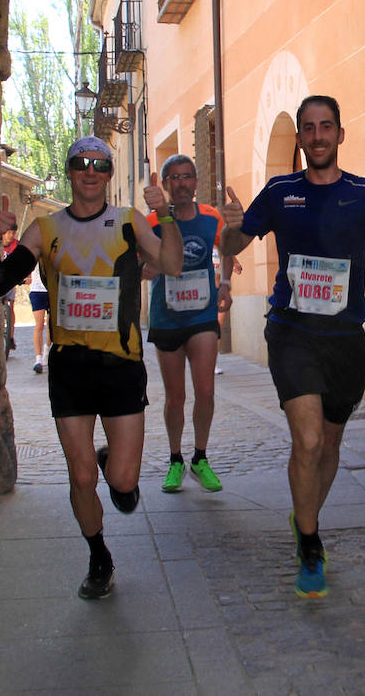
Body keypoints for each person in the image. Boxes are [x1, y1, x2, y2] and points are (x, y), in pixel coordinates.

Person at [0, 136, 184, 600]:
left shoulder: (129, 222)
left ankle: (116, 463)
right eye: (80, 163)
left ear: (109, 175)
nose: (90, 171)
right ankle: (98, 555)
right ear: (70, 170)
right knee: (80, 477)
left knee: (123, 483)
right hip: (70, 367)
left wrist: (166, 214)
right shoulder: (44, 228)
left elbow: (172, 263)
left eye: (100, 165)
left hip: (121, 366)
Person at [219, 95, 365, 599]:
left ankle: (305, 514)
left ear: (340, 134)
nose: (317, 136)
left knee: (330, 446)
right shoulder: (279, 191)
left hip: (345, 340)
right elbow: (233, 246)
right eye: (308, 128)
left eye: (325, 127)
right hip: (292, 331)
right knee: (309, 441)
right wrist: (228, 229)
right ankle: (310, 544)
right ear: (299, 138)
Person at [145, 154, 234, 494]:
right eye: (174, 178)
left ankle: (200, 456)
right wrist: (146, 269)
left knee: (206, 390)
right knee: (175, 398)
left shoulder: (210, 217)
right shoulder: (153, 220)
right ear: (165, 184)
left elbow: (227, 246)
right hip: (166, 316)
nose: (181, 184)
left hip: (202, 315)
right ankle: (175, 459)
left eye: (187, 177)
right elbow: (141, 259)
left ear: (196, 182)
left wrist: (225, 281)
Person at [30, 249, 49, 373]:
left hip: (51, 289)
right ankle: (38, 358)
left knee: (51, 325)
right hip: (37, 290)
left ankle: (46, 351)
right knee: (39, 324)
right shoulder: (34, 252)